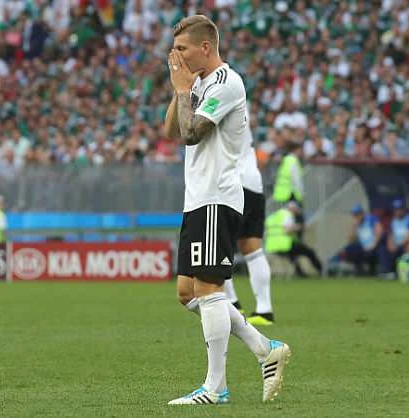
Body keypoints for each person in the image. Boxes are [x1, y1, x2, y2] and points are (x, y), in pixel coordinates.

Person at [163, 15, 290, 406]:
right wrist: (180, 90)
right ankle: (264, 347)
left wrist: (184, 90)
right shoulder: (198, 83)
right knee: (187, 293)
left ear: (205, 47)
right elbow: (171, 131)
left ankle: (215, 387)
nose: (176, 56)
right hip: (197, 198)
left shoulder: (227, 83)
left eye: (182, 49)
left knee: (209, 290)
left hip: (217, 197)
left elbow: (191, 133)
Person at [223, 107, 276, 326]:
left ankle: (232, 304)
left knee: (218, 243)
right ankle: (265, 310)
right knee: (252, 248)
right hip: (253, 181)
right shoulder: (240, 104)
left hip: (232, 182)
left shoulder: (220, 100)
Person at [264, 202, 323, 277]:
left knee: (293, 256)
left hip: (271, 246)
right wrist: (300, 227)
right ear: (292, 209)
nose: (296, 212)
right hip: (284, 245)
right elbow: (287, 230)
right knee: (309, 252)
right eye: (296, 209)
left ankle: (300, 273)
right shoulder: (287, 215)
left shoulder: (273, 216)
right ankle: (320, 270)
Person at [272, 137, 304, 237]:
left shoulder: (285, 160)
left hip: (281, 195)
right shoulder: (293, 161)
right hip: (291, 195)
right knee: (295, 223)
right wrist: (301, 195)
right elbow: (296, 180)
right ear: (297, 149)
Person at [342, 204, 384, 275]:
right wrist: (354, 227)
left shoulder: (371, 219)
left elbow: (379, 231)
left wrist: (373, 245)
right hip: (363, 248)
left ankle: (375, 270)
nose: (356, 217)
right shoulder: (356, 225)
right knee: (351, 248)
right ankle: (359, 270)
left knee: (380, 250)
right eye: (354, 215)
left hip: (373, 246)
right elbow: (350, 241)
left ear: (362, 214)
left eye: (357, 214)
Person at [379, 199, 409, 275]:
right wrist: (390, 245)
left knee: (399, 250)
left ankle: (394, 271)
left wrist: (398, 245)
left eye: (399, 209)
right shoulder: (393, 221)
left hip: (405, 244)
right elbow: (390, 235)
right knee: (383, 249)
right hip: (395, 244)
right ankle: (387, 272)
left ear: (403, 210)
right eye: (396, 210)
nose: (398, 211)